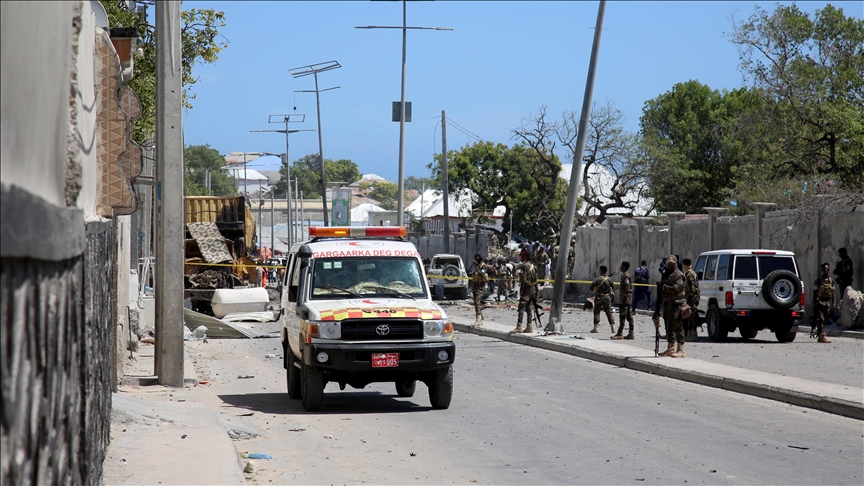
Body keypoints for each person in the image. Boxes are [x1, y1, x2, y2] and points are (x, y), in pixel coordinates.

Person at [658, 255, 686, 357]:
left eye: (671, 264)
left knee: (677, 326)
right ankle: (670, 348)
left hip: (676, 304)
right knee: (668, 326)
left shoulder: (678, 275)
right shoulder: (667, 275)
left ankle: (681, 349)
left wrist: (664, 287)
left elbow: (676, 288)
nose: (669, 266)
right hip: (668, 304)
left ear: (675, 264)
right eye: (668, 264)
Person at [512, 261, 538, 334]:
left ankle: (519, 326)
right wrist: (537, 293)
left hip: (526, 291)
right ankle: (529, 326)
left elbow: (523, 280)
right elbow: (536, 281)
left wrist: (521, 291)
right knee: (529, 308)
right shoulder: (533, 267)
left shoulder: (525, 267)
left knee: (521, 307)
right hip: (533, 291)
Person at [589, 265, 616, 334]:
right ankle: (613, 327)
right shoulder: (609, 279)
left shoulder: (597, 279)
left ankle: (596, 328)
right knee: (609, 312)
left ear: (601, 271)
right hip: (607, 297)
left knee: (596, 312)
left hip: (599, 297)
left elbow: (591, 287)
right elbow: (613, 287)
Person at [612, 261, 634, 340]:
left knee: (622, 316)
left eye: (621, 266)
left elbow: (627, 288)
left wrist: (623, 299)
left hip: (625, 299)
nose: (620, 267)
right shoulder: (625, 275)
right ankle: (631, 333)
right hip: (627, 299)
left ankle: (620, 333)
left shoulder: (626, 276)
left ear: (624, 267)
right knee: (629, 316)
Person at [813, 262, 834, 343]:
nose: (826, 271)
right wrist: (814, 304)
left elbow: (833, 293)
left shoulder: (831, 281)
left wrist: (833, 303)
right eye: (824, 269)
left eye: (827, 269)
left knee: (824, 319)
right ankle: (822, 335)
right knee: (821, 319)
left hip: (827, 302)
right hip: (820, 302)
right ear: (822, 270)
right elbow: (814, 293)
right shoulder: (818, 281)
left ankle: (820, 333)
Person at [682, 258, 700, 342]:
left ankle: (693, 334)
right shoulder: (689, 274)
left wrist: (689, 299)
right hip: (691, 298)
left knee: (692, 316)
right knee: (689, 316)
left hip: (692, 298)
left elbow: (692, 289)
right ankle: (689, 333)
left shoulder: (690, 275)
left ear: (685, 265)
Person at [471, 254, 488, 327]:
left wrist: (478, 270)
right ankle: (479, 318)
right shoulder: (477, 266)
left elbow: (483, 273)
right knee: (475, 302)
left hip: (480, 286)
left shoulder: (483, 266)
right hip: (476, 286)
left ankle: (478, 319)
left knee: (477, 302)